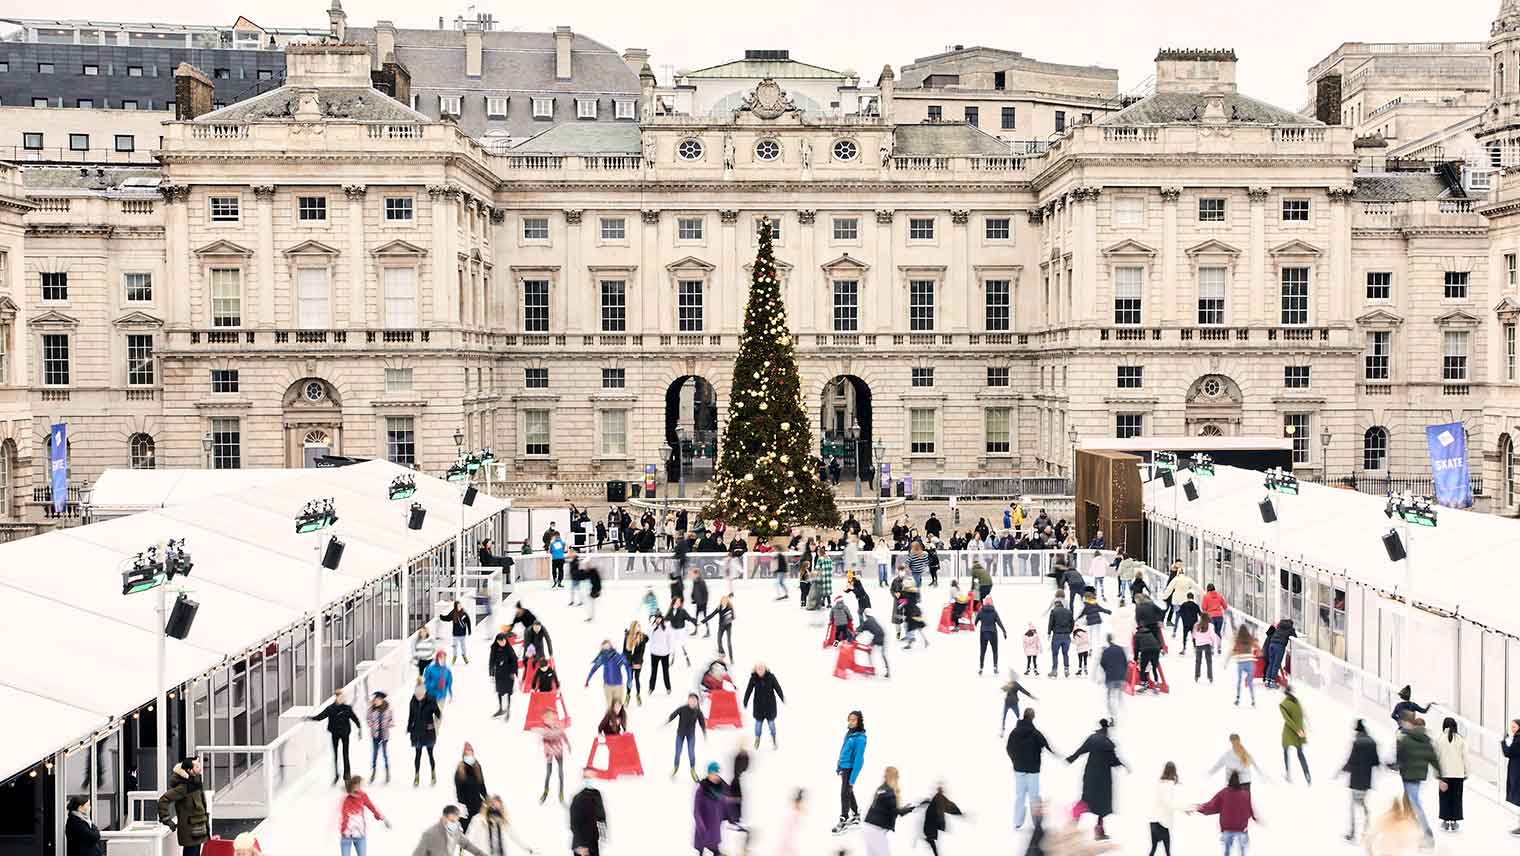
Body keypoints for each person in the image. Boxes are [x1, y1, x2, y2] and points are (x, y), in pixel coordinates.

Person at [1066, 719, 1126, 840]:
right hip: (1103, 780)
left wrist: (1071, 758)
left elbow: (1081, 750)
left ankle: (1072, 826)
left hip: (1090, 776)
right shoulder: (1108, 744)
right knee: (1102, 807)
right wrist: (1123, 765)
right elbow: (1113, 761)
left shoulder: (1092, 739)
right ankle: (1099, 832)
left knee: (1085, 800)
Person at [1395, 715, 1444, 845]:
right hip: (1418, 776)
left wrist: (1394, 765)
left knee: (1415, 803)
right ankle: (1415, 828)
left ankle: (1427, 833)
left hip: (1408, 775)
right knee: (1412, 801)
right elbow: (1433, 759)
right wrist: (1440, 777)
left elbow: (1399, 757)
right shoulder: (1426, 740)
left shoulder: (1406, 739)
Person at [1007, 708, 1055, 829]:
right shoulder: (1035, 733)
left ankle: (1017, 822)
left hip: (1019, 769)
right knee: (1034, 796)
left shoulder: (1014, 732)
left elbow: (1009, 748)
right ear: (1033, 717)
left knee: (1020, 796)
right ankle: (1037, 823)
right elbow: (1046, 745)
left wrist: (1015, 760)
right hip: (1033, 770)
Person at [157, 757, 211, 856]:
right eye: (197, 766)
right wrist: (166, 819)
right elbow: (163, 800)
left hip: (199, 828)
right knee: (191, 852)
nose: (201, 768)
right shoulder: (183, 787)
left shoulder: (196, 783)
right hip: (190, 831)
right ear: (189, 771)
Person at [309, 688, 363, 784]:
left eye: (343, 697)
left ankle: (347, 775)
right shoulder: (330, 708)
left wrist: (359, 729)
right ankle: (336, 775)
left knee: (345, 754)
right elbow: (320, 717)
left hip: (345, 733)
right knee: (335, 755)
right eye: (340, 697)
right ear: (336, 698)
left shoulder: (347, 708)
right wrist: (309, 718)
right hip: (335, 733)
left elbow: (355, 719)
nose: (342, 699)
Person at [1195, 771, 1256, 856]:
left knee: (1227, 852)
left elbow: (1212, 805)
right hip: (1241, 829)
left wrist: (1198, 807)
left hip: (1227, 829)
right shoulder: (1245, 794)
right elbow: (1249, 811)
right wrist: (1254, 817)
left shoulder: (1224, 793)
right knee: (1242, 851)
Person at [862, 766, 915, 856]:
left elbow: (890, 809)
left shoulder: (882, 789)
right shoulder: (889, 792)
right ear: (893, 777)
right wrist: (913, 807)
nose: (898, 779)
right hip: (876, 829)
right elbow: (895, 811)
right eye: (897, 776)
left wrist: (905, 808)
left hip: (869, 827)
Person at [1342, 719, 1381, 842]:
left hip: (1356, 779)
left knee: (1354, 805)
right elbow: (1376, 762)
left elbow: (1351, 760)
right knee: (1362, 803)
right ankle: (1367, 829)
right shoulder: (1372, 742)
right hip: (1366, 779)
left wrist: (1343, 769)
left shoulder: (1357, 743)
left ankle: (1353, 833)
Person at [465, 795, 536, 856]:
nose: (494, 807)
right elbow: (470, 835)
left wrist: (527, 848)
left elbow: (515, 836)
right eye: (492, 804)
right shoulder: (478, 819)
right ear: (487, 805)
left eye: (497, 806)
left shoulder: (503, 821)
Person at [833, 710, 868, 834]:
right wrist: (839, 765)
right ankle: (856, 813)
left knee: (844, 793)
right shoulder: (849, 734)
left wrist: (852, 778)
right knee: (848, 791)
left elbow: (859, 760)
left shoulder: (860, 738)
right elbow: (843, 750)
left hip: (850, 769)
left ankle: (844, 818)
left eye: (853, 720)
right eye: (849, 719)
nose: (851, 722)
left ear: (859, 722)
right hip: (844, 767)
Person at [339, 774, 390, 856]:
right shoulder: (346, 800)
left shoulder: (362, 796)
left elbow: (371, 806)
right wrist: (345, 831)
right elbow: (344, 817)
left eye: (359, 787)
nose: (358, 790)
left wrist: (381, 817)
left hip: (360, 835)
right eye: (355, 788)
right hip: (347, 836)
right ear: (350, 789)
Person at [1433, 716, 1467, 832]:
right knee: (1457, 797)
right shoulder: (1461, 739)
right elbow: (1465, 758)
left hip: (1444, 774)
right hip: (1458, 774)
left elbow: (1435, 758)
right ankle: (1454, 821)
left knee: (1444, 797)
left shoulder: (1439, 738)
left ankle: (1445, 821)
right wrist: (1466, 772)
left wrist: (1436, 773)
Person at [411, 805, 488, 856]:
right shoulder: (430, 834)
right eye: (451, 820)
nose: (454, 823)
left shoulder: (455, 831)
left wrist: (481, 854)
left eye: (456, 820)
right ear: (444, 818)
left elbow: (466, 844)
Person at [742, 661, 785, 750]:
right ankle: (757, 739)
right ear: (756, 670)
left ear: (765, 669)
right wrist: (745, 701)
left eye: (762, 668)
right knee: (758, 726)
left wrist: (782, 697)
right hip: (759, 708)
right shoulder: (753, 678)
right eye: (758, 669)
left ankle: (774, 739)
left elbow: (778, 688)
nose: (760, 670)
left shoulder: (771, 677)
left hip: (770, 707)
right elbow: (748, 690)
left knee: (772, 725)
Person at [667, 693, 708, 781]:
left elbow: (702, 723)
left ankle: (692, 769)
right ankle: (676, 767)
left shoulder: (698, 712)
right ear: (688, 700)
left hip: (691, 735)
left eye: (694, 700)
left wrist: (704, 733)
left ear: (697, 702)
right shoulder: (683, 709)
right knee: (678, 752)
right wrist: (668, 720)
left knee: (691, 752)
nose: (692, 702)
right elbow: (674, 714)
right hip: (680, 734)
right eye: (691, 700)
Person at [1148, 762, 1185, 856]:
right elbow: (1169, 804)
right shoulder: (1169, 786)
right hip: (1162, 822)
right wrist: (1184, 809)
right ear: (1174, 772)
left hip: (1153, 820)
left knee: (1153, 848)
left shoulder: (1160, 783)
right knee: (1167, 852)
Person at [408, 684, 441, 786]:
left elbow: (438, 713)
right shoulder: (412, 701)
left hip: (428, 732)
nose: (418, 696)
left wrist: (436, 712)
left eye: (420, 694)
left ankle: (433, 773)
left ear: (424, 693)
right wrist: (409, 727)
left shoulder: (431, 700)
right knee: (418, 755)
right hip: (417, 732)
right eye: (417, 694)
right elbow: (411, 715)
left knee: (430, 754)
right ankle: (416, 776)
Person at [692, 761, 728, 856]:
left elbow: (724, 804)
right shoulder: (701, 789)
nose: (715, 776)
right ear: (708, 774)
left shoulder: (720, 789)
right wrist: (701, 826)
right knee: (701, 850)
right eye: (712, 773)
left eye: (716, 773)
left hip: (714, 828)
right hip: (704, 828)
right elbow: (696, 811)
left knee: (715, 850)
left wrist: (730, 816)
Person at [584, 639, 633, 708]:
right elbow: (594, 669)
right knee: (610, 708)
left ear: (611, 646)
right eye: (604, 648)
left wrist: (629, 679)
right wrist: (587, 680)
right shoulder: (602, 658)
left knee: (618, 708)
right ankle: (610, 718)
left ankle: (620, 718)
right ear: (602, 649)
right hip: (607, 686)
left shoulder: (617, 656)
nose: (606, 650)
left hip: (618, 686)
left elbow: (627, 666)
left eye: (608, 647)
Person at [569, 773, 607, 856]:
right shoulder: (579, 798)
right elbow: (574, 823)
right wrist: (580, 844)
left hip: (588, 841)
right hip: (585, 843)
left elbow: (601, 816)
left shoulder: (593, 795)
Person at [920, 783, 963, 856]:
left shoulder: (938, 798)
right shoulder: (939, 798)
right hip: (933, 823)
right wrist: (959, 813)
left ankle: (935, 851)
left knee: (931, 838)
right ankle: (935, 851)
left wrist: (958, 813)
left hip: (932, 824)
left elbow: (949, 805)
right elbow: (950, 805)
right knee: (932, 838)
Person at [1279, 687, 1310, 784]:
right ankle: (1307, 774)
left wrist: (1298, 730)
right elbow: (1302, 715)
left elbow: (1288, 720)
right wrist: (1301, 729)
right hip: (1299, 732)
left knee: (1286, 752)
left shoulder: (1283, 705)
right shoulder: (1296, 701)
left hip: (1289, 731)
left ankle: (1288, 773)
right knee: (1300, 754)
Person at [539, 710, 571, 804]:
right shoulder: (545, 730)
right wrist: (548, 753)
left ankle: (561, 793)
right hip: (550, 753)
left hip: (559, 752)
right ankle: (545, 791)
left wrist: (568, 744)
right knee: (549, 773)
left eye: (554, 718)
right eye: (550, 719)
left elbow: (563, 734)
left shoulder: (558, 726)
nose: (553, 720)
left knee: (561, 773)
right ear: (546, 720)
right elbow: (545, 742)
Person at [487, 629, 519, 720]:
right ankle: (501, 708)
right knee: (499, 690)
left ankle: (508, 709)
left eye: (503, 640)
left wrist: (514, 673)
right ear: (497, 641)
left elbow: (514, 661)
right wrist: (491, 673)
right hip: (499, 673)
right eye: (500, 641)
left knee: (508, 691)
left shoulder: (509, 648)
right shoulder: (494, 648)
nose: (502, 642)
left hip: (508, 672)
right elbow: (491, 661)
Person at [455, 742, 488, 827]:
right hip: (466, 805)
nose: (469, 755)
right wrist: (461, 804)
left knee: (479, 827)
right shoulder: (460, 769)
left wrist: (487, 798)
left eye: (471, 752)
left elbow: (481, 785)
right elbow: (459, 789)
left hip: (477, 803)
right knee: (467, 827)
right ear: (464, 755)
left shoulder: (477, 767)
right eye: (467, 753)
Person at [1099, 635, 1129, 726]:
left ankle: (1112, 716)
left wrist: (1107, 670)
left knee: (1110, 697)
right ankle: (1122, 713)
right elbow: (1125, 662)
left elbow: (1102, 663)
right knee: (1119, 695)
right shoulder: (1120, 649)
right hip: (1120, 676)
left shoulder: (1106, 651)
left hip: (1110, 677)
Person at [975, 595, 1008, 674]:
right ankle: (995, 667)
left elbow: (975, 622)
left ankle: (981, 668)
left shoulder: (980, 611)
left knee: (983, 651)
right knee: (995, 651)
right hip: (993, 633)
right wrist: (1004, 631)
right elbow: (999, 622)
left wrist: (976, 624)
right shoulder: (994, 612)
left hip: (983, 633)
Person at [366, 691, 393, 783]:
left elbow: (391, 720)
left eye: (378, 700)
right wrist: (371, 725)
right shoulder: (371, 709)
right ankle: (373, 772)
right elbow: (368, 719)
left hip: (384, 735)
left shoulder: (388, 709)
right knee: (375, 754)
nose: (376, 701)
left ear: (382, 700)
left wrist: (389, 724)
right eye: (375, 700)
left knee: (385, 754)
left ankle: (387, 773)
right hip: (375, 735)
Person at [857, 608, 893, 679]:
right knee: (883, 655)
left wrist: (854, 635)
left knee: (869, 651)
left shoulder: (867, 622)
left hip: (877, 637)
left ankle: (871, 669)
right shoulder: (873, 619)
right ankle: (888, 671)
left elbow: (860, 629)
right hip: (882, 635)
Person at [1229, 626, 1259, 707]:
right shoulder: (1250, 639)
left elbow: (1233, 651)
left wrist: (1231, 657)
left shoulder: (1238, 641)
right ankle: (1253, 700)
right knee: (1250, 682)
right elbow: (1257, 647)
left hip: (1241, 662)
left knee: (1239, 681)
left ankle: (1238, 699)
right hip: (1250, 662)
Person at [1262, 617, 1294, 689]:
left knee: (1271, 663)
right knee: (1276, 664)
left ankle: (1267, 681)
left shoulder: (1279, 626)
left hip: (1271, 644)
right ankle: (1272, 682)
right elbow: (1294, 635)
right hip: (1279, 646)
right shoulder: (1289, 628)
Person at [702, 594, 737, 659]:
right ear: (721, 601)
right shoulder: (719, 608)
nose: (724, 602)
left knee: (729, 642)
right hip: (721, 626)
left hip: (728, 626)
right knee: (718, 640)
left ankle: (731, 658)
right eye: (723, 601)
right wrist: (703, 621)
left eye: (725, 601)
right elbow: (711, 615)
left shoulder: (730, 607)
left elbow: (733, 617)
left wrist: (732, 616)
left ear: (727, 602)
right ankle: (722, 652)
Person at [1048, 597, 1074, 678]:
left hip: (1057, 636)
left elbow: (1050, 623)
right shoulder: (1069, 612)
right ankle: (1066, 670)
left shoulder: (1053, 611)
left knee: (1055, 654)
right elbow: (1072, 623)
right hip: (1066, 636)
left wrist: (1049, 633)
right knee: (1065, 653)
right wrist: (1069, 631)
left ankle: (1054, 671)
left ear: (1056, 605)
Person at [440, 601, 473, 665]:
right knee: (455, 646)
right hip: (455, 634)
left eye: (460, 605)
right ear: (455, 606)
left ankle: (464, 656)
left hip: (462, 634)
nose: (460, 607)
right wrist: (441, 617)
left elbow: (468, 622)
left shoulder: (464, 613)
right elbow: (448, 618)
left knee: (463, 646)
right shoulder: (453, 613)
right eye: (458, 606)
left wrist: (469, 630)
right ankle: (454, 657)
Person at [1192, 615, 1219, 683]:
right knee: (1209, 662)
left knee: (1198, 662)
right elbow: (1212, 636)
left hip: (1198, 645)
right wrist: (1213, 645)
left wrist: (1196, 643)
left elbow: (1194, 636)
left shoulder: (1196, 625)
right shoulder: (1210, 626)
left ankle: (1196, 676)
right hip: (1207, 645)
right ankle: (1210, 677)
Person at [1504, 719, 1520, 835]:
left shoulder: (1518, 739)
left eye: (1514, 727)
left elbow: (1508, 752)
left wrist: (1503, 742)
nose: (1512, 729)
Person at [689, 568, 711, 638]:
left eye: (693, 574)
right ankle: (696, 630)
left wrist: (704, 602)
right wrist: (693, 598)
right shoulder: (695, 581)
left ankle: (708, 631)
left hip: (703, 603)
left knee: (704, 617)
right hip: (698, 602)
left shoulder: (701, 582)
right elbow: (694, 591)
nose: (691, 575)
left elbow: (705, 593)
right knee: (697, 617)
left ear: (697, 574)